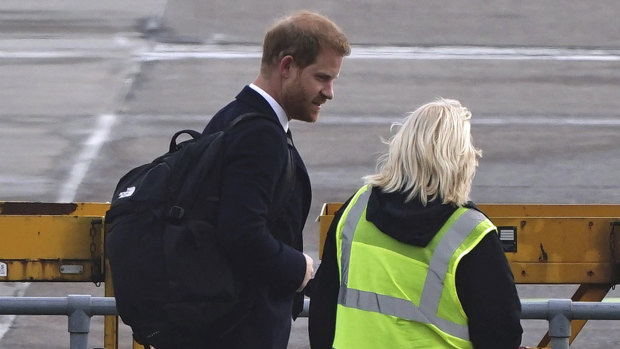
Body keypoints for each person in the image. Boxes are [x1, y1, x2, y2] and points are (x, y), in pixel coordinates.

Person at [307, 98, 523, 348]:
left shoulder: (355, 210)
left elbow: (322, 313)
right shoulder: (469, 234)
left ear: (401, 148)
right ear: (462, 160)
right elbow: (502, 334)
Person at [197, 10, 351, 349]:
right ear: (287, 67)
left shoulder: (231, 117)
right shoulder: (259, 136)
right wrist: (300, 269)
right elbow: (241, 233)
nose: (329, 93)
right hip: (241, 330)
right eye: (322, 78)